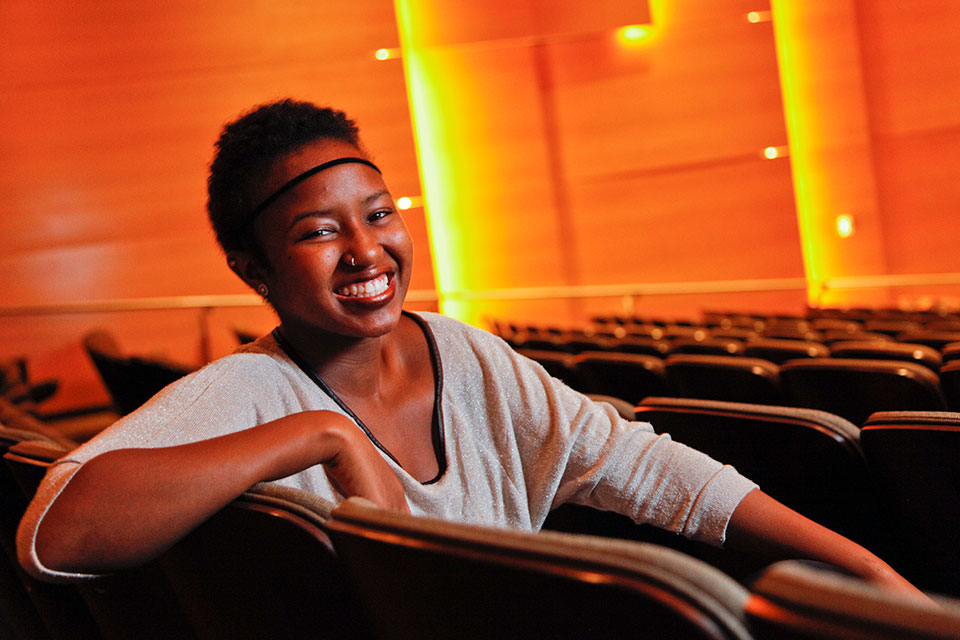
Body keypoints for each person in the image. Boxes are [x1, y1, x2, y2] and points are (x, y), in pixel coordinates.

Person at [17, 99, 921, 597]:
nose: (369, 251)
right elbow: (53, 533)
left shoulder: (467, 356)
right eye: (321, 232)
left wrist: (866, 568)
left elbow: (647, 469)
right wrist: (317, 440)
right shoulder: (253, 392)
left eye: (380, 216)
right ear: (252, 267)